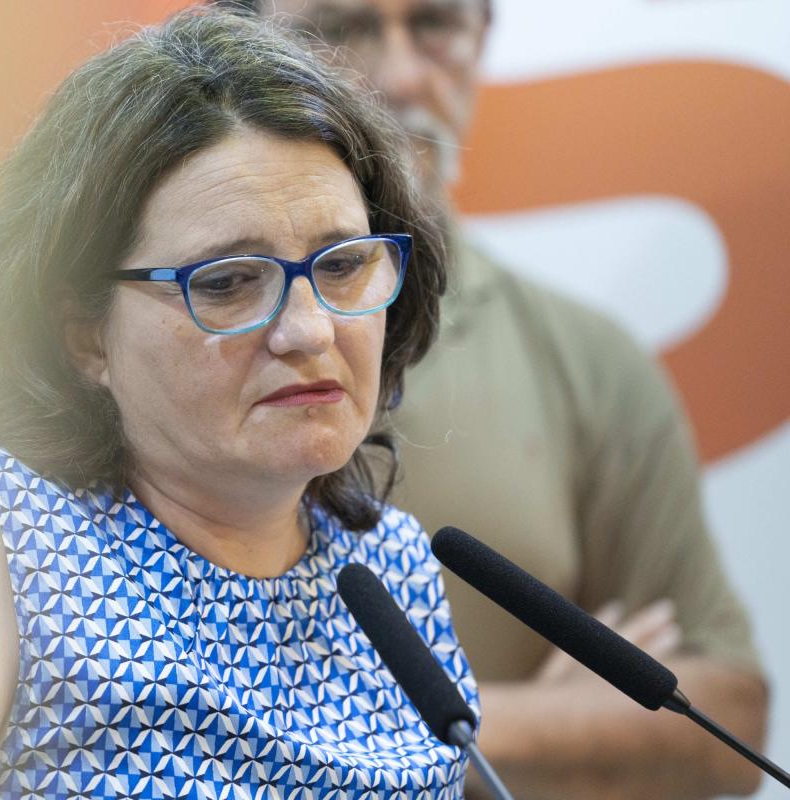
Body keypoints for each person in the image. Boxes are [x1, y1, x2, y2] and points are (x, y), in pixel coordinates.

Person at [0, 10, 479, 799]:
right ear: (84, 335)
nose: (309, 330)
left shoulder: (390, 562)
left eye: (341, 266)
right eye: (228, 282)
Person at [228, 0, 770, 797]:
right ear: (239, 49)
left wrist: (466, 723)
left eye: (435, 24)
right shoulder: (157, 348)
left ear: (483, 38)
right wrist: (541, 728)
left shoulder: (588, 361)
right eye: (340, 29)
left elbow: (727, 721)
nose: (400, 76)